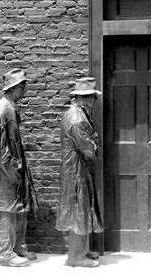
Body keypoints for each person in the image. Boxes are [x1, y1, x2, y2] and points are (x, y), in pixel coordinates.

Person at [0, 69, 38, 267]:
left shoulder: (11, 107)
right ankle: (4, 254)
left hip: (13, 169)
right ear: (13, 88)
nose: (25, 89)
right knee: (7, 211)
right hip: (5, 170)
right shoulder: (2, 109)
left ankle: (15, 248)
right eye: (22, 85)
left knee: (16, 208)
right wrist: (12, 167)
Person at [55, 77, 104, 268]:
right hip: (75, 171)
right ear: (82, 98)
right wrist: (95, 142)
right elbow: (89, 149)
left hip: (78, 169)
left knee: (82, 210)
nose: (94, 101)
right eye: (91, 97)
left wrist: (94, 140)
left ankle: (82, 250)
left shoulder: (80, 114)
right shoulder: (77, 119)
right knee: (78, 212)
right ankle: (75, 257)